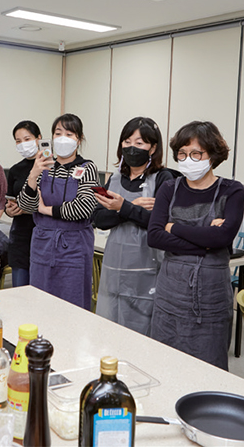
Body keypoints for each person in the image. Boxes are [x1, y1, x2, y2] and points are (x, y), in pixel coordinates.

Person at [147, 121, 244, 369]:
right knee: (164, 364)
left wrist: (175, 228)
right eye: (182, 153)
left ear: (212, 155)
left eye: (196, 153)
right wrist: (206, 240)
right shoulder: (170, 188)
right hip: (169, 294)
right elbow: (154, 236)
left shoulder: (232, 190)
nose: (187, 159)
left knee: (208, 368)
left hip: (210, 299)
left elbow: (222, 239)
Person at [93, 116, 175, 335]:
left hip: (146, 268)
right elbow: (98, 219)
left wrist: (122, 208)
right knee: (110, 325)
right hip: (114, 266)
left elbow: (160, 223)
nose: (131, 148)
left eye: (139, 143)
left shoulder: (163, 178)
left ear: (153, 147)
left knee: (141, 329)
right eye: (127, 141)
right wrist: (129, 208)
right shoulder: (116, 178)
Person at [17, 113, 98, 309]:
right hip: (42, 244)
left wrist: (46, 210)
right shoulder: (43, 166)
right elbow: (25, 205)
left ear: (78, 140)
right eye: (58, 133)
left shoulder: (87, 168)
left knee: (72, 302)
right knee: (40, 301)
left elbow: (84, 207)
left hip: (74, 246)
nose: (62, 138)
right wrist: (33, 174)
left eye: (69, 134)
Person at [5, 120, 42, 288]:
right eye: (18, 141)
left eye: (27, 139)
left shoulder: (52, 166)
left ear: (39, 138)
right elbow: (9, 199)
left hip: (43, 234)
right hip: (20, 236)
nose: (23, 144)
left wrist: (27, 208)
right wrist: (9, 210)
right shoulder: (15, 170)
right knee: (20, 289)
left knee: (42, 290)